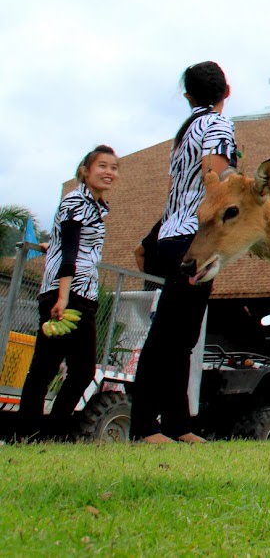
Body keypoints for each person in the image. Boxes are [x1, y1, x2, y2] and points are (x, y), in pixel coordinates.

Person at [131, 61, 239, 444]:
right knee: (169, 336)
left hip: (170, 237)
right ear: (226, 92)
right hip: (193, 240)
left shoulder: (185, 131)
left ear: (188, 96)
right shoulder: (217, 124)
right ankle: (144, 425)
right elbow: (216, 173)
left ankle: (177, 425)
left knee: (180, 337)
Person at [13, 146, 119, 441]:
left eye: (114, 167)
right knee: (46, 370)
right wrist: (62, 297)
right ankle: (29, 435)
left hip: (82, 293)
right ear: (85, 170)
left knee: (81, 370)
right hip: (67, 295)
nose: (109, 172)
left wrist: (51, 245)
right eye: (102, 165)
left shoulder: (96, 206)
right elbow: (71, 253)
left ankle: (48, 433)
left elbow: (66, 242)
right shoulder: (76, 202)